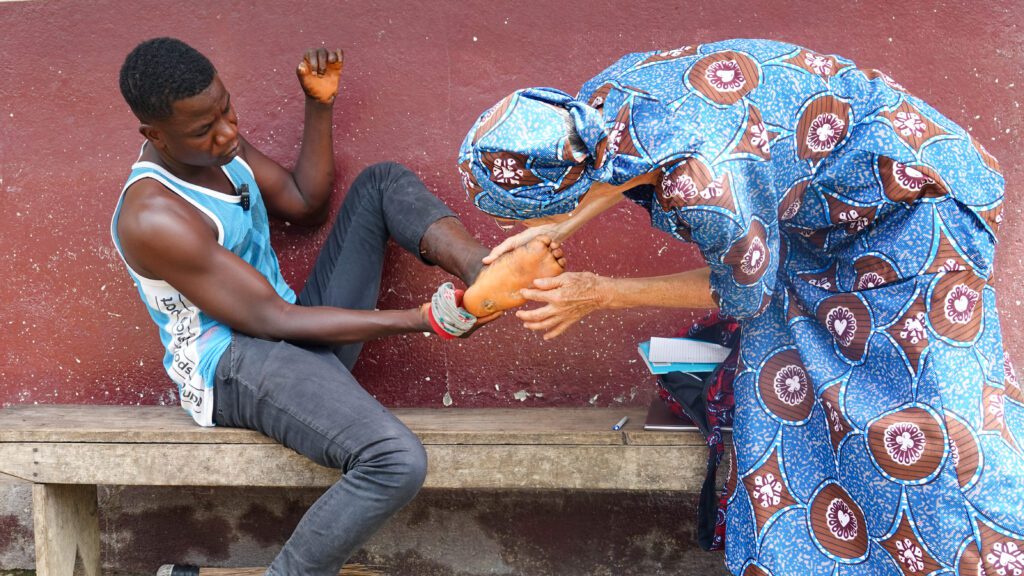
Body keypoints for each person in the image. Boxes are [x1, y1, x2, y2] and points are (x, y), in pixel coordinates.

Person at [458, 39, 1024, 575]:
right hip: (826, 219)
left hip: (915, 213)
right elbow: (616, 161)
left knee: (932, 426)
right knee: (784, 397)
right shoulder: (597, 103)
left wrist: (600, 292)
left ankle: (991, 553)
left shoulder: (706, 187)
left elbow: (742, 292)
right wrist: (563, 222)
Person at [112, 38, 563, 576]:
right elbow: (267, 320)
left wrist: (318, 104)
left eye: (226, 109)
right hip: (231, 365)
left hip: (292, 331)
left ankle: (484, 272)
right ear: (154, 135)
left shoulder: (220, 149)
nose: (228, 132)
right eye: (203, 129)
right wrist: (424, 321)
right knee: (394, 462)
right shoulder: (153, 215)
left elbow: (304, 204)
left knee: (381, 183)